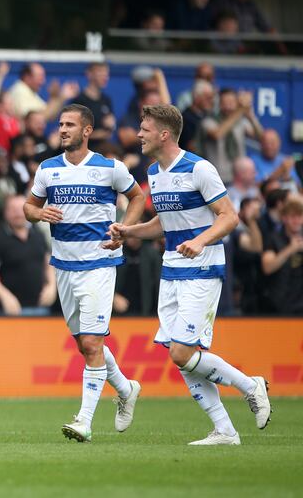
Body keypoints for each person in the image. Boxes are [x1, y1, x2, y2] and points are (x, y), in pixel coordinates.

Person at [109, 104, 272, 445]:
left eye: (145, 128)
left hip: (202, 266)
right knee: (179, 354)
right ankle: (225, 431)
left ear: (164, 134)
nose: (138, 133)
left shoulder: (200, 168)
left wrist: (199, 241)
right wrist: (130, 231)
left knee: (182, 353)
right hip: (172, 268)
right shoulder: (155, 172)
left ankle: (249, 385)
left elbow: (229, 216)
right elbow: (163, 223)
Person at [24, 104, 145, 442]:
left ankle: (84, 421)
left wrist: (125, 227)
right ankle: (125, 388)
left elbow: (137, 198)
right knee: (84, 344)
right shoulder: (48, 169)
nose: (62, 129)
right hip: (64, 265)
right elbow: (27, 207)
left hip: (100, 264)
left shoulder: (110, 168)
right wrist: (39, 214)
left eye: (70, 125)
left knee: (92, 342)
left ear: (87, 131)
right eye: (60, 124)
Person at [0, 195, 53, 316]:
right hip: (12, 311)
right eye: (12, 209)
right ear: (5, 212)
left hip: (42, 308)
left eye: (21, 209)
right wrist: (5, 296)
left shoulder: (38, 234)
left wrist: (51, 286)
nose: (18, 213)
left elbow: (48, 262)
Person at [260, 195, 303, 314]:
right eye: (293, 217)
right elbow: (267, 267)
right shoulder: (273, 238)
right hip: (279, 304)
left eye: (300, 216)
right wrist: (291, 249)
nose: (297, 221)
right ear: (284, 218)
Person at [8, 63, 78, 121]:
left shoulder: (28, 91)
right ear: (27, 77)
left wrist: (54, 97)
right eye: (39, 77)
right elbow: (37, 119)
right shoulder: (20, 91)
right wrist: (61, 97)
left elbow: (49, 115)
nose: (43, 82)